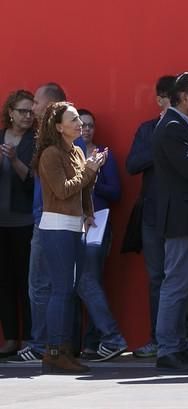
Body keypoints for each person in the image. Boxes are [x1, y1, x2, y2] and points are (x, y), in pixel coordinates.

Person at [33, 102, 107, 374]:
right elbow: (63, 191)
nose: (80, 124)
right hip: (56, 227)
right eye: (74, 120)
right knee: (61, 290)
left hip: (74, 226)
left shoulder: (76, 150)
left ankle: (63, 350)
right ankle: (53, 351)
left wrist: (88, 210)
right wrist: (89, 170)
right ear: (58, 126)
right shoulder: (50, 155)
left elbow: (83, 187)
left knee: (68, 290)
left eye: (79, 119)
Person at [152, 72, 188, 371]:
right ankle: (168, 349)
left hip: (187, 217)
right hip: (181, 219)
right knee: (176, 284)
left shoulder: (179, 125)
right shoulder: (173, 127)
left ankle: (177, 344)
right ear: (184, 97)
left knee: (183, 285)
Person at [7, 83, 68, 363]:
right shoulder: (48, 135)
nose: (31, 111)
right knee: (39, 285)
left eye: (35, 105)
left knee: (41, 285)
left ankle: (44, 344)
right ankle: (47, 345)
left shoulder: (52, 137)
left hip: (45, 218)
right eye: (25, 108)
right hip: (39, 216)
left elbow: (50, 179)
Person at [125, 75, 176, 358]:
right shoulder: (148, 130)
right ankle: (158, 338)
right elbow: (132, 164)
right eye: (172, 97)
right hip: (153, 215)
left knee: (185, 278)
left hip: (185, 215)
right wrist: (161, 144)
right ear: (160, 100)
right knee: (157, 277)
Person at [74, 108, 127, 361]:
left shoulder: (103, 155)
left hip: (98, 225)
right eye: (81, 124)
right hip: (71, 224)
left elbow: (116, 192)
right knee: (86, 283)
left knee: (88, 280)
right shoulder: (66, 156)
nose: (86, 129)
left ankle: (108, 338)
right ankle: (93, 343)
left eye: (90, 125)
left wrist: (93, 179)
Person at [0, 90, 36, 357]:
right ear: (10, 111)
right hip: (1, 222)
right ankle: (10, 337)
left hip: (24, 220)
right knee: (4, 282)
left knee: (26, 281)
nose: (27, 116)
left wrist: (14, 160)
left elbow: (33, 181)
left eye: (30, 111)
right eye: (22, 111)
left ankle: (29, 339)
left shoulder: (35, 141)